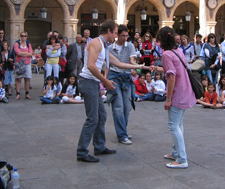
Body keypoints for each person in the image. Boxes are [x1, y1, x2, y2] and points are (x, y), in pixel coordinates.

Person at [77, 20, 148, 163]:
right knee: (92, 118)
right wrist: (105, 81)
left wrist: (142, 67)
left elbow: (119, 64)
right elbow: (91, 66)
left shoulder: (103, 45)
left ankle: (99, 146)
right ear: (109, 31)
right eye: (115, 33)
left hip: (94, 83)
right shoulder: (96, 43)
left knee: (101, 116)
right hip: (88, 82)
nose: (116, 36)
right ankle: (82, 151)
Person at [155, 26, 196, 169]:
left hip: (178, 93)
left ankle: (182, 158)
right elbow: (174, 70)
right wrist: (158, 68)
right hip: (186, 90)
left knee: (173, 125)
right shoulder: (178, 51)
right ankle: (175, 152)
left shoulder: (166, 54)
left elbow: (171, 77)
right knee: (179, 124)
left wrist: (168, 99)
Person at [107, 24, 139, 145]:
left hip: (126, 77)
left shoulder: (130, 45)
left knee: (127, 107)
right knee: (118, 107)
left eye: (126, 36)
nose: (125, 38)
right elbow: (109, 66)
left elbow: (132, 60)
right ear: (117, 35)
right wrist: (106, 80)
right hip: (114, 77)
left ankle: (123, 131)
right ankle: (122, 135)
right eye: (123, 36)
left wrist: (135, 67)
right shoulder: (110, 48)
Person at [13, 31, 33, 100]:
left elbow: (30, 53)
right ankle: (18, 93)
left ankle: (27, 93)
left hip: (27, 63)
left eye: (24, 36)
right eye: (22, 36)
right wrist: (26, 53)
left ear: (26, 37)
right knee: (19, 79)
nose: (23, 37)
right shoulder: (16, 43)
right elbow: (17, 52)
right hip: (19, 63)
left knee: (27, 79)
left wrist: (23, 53)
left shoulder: (28, 44)